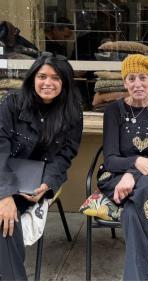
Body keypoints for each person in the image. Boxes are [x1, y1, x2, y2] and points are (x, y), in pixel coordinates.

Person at [0, 52, 83, 280]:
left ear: (64, 82)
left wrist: (47, 184)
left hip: (38, 180)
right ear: (32, 78)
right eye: (42, 76)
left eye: (56, 78)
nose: (48, 83)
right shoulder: (12, 103)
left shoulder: (72, 111)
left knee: (6, 222)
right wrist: (5, 196)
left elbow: (66, 154)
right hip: (4, 174)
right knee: (5, 220)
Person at [98, 54, 148, 280]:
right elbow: (111, 158)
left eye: (143, 78)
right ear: (124, 82)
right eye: (131, 78)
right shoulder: (114, 111)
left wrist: (132, 176)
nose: (137, 84)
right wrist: (136, 162)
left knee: (134, 213)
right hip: (115, 176)